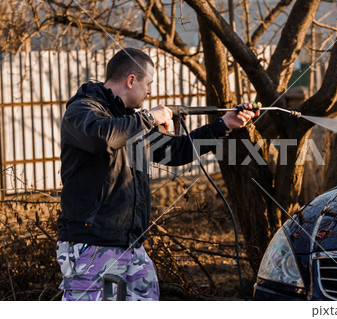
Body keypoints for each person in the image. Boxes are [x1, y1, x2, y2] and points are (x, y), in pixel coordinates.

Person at [56, 48, 258, 301]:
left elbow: (175, 151)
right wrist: (150, 117)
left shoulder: (130, 120)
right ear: (131, 80)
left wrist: (223, 125)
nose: (150, 91)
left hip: (130, 245)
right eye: (148, 83)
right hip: (93, 246)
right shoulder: (83, 110)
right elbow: (103, 137)